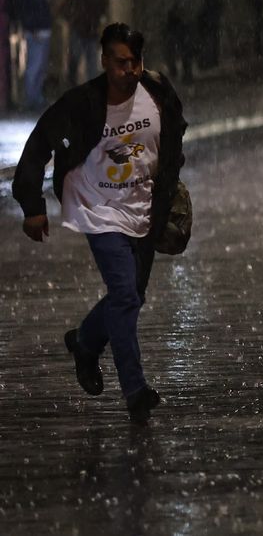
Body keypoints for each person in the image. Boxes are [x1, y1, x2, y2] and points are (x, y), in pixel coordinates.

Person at [13, 23, 187, 424]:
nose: (128, 70)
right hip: (98, 208)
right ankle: (135, 390)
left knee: (132, 297)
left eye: (135, 62)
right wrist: (32, 205)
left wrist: (170, 186)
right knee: (125, 295)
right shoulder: (83, 103)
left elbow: (174, 136)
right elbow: (39, 144)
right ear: (104, 61)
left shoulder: (157, 92)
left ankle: (86, 342)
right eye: (120, 62)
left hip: (144, 210)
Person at [6, 0, 53, 110]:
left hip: (40, 30)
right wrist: (33, 28)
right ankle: (31, 99)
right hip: (37, 31)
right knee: (34, 66)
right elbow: (29, 9)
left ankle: (35, 97)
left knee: (38, 66)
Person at [59, 0, 109, 84]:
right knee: (84, 62)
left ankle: (75, 84)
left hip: (86, 32)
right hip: (83, 31)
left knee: (85, 62)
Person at [162, 0, 203, 83]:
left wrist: (185, 12)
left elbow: (197, 3)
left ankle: (186, 72)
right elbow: (163, 5)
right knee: (173, 47)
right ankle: (176, 70)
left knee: (185, 48)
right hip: (173, 22)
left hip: (184, 22)